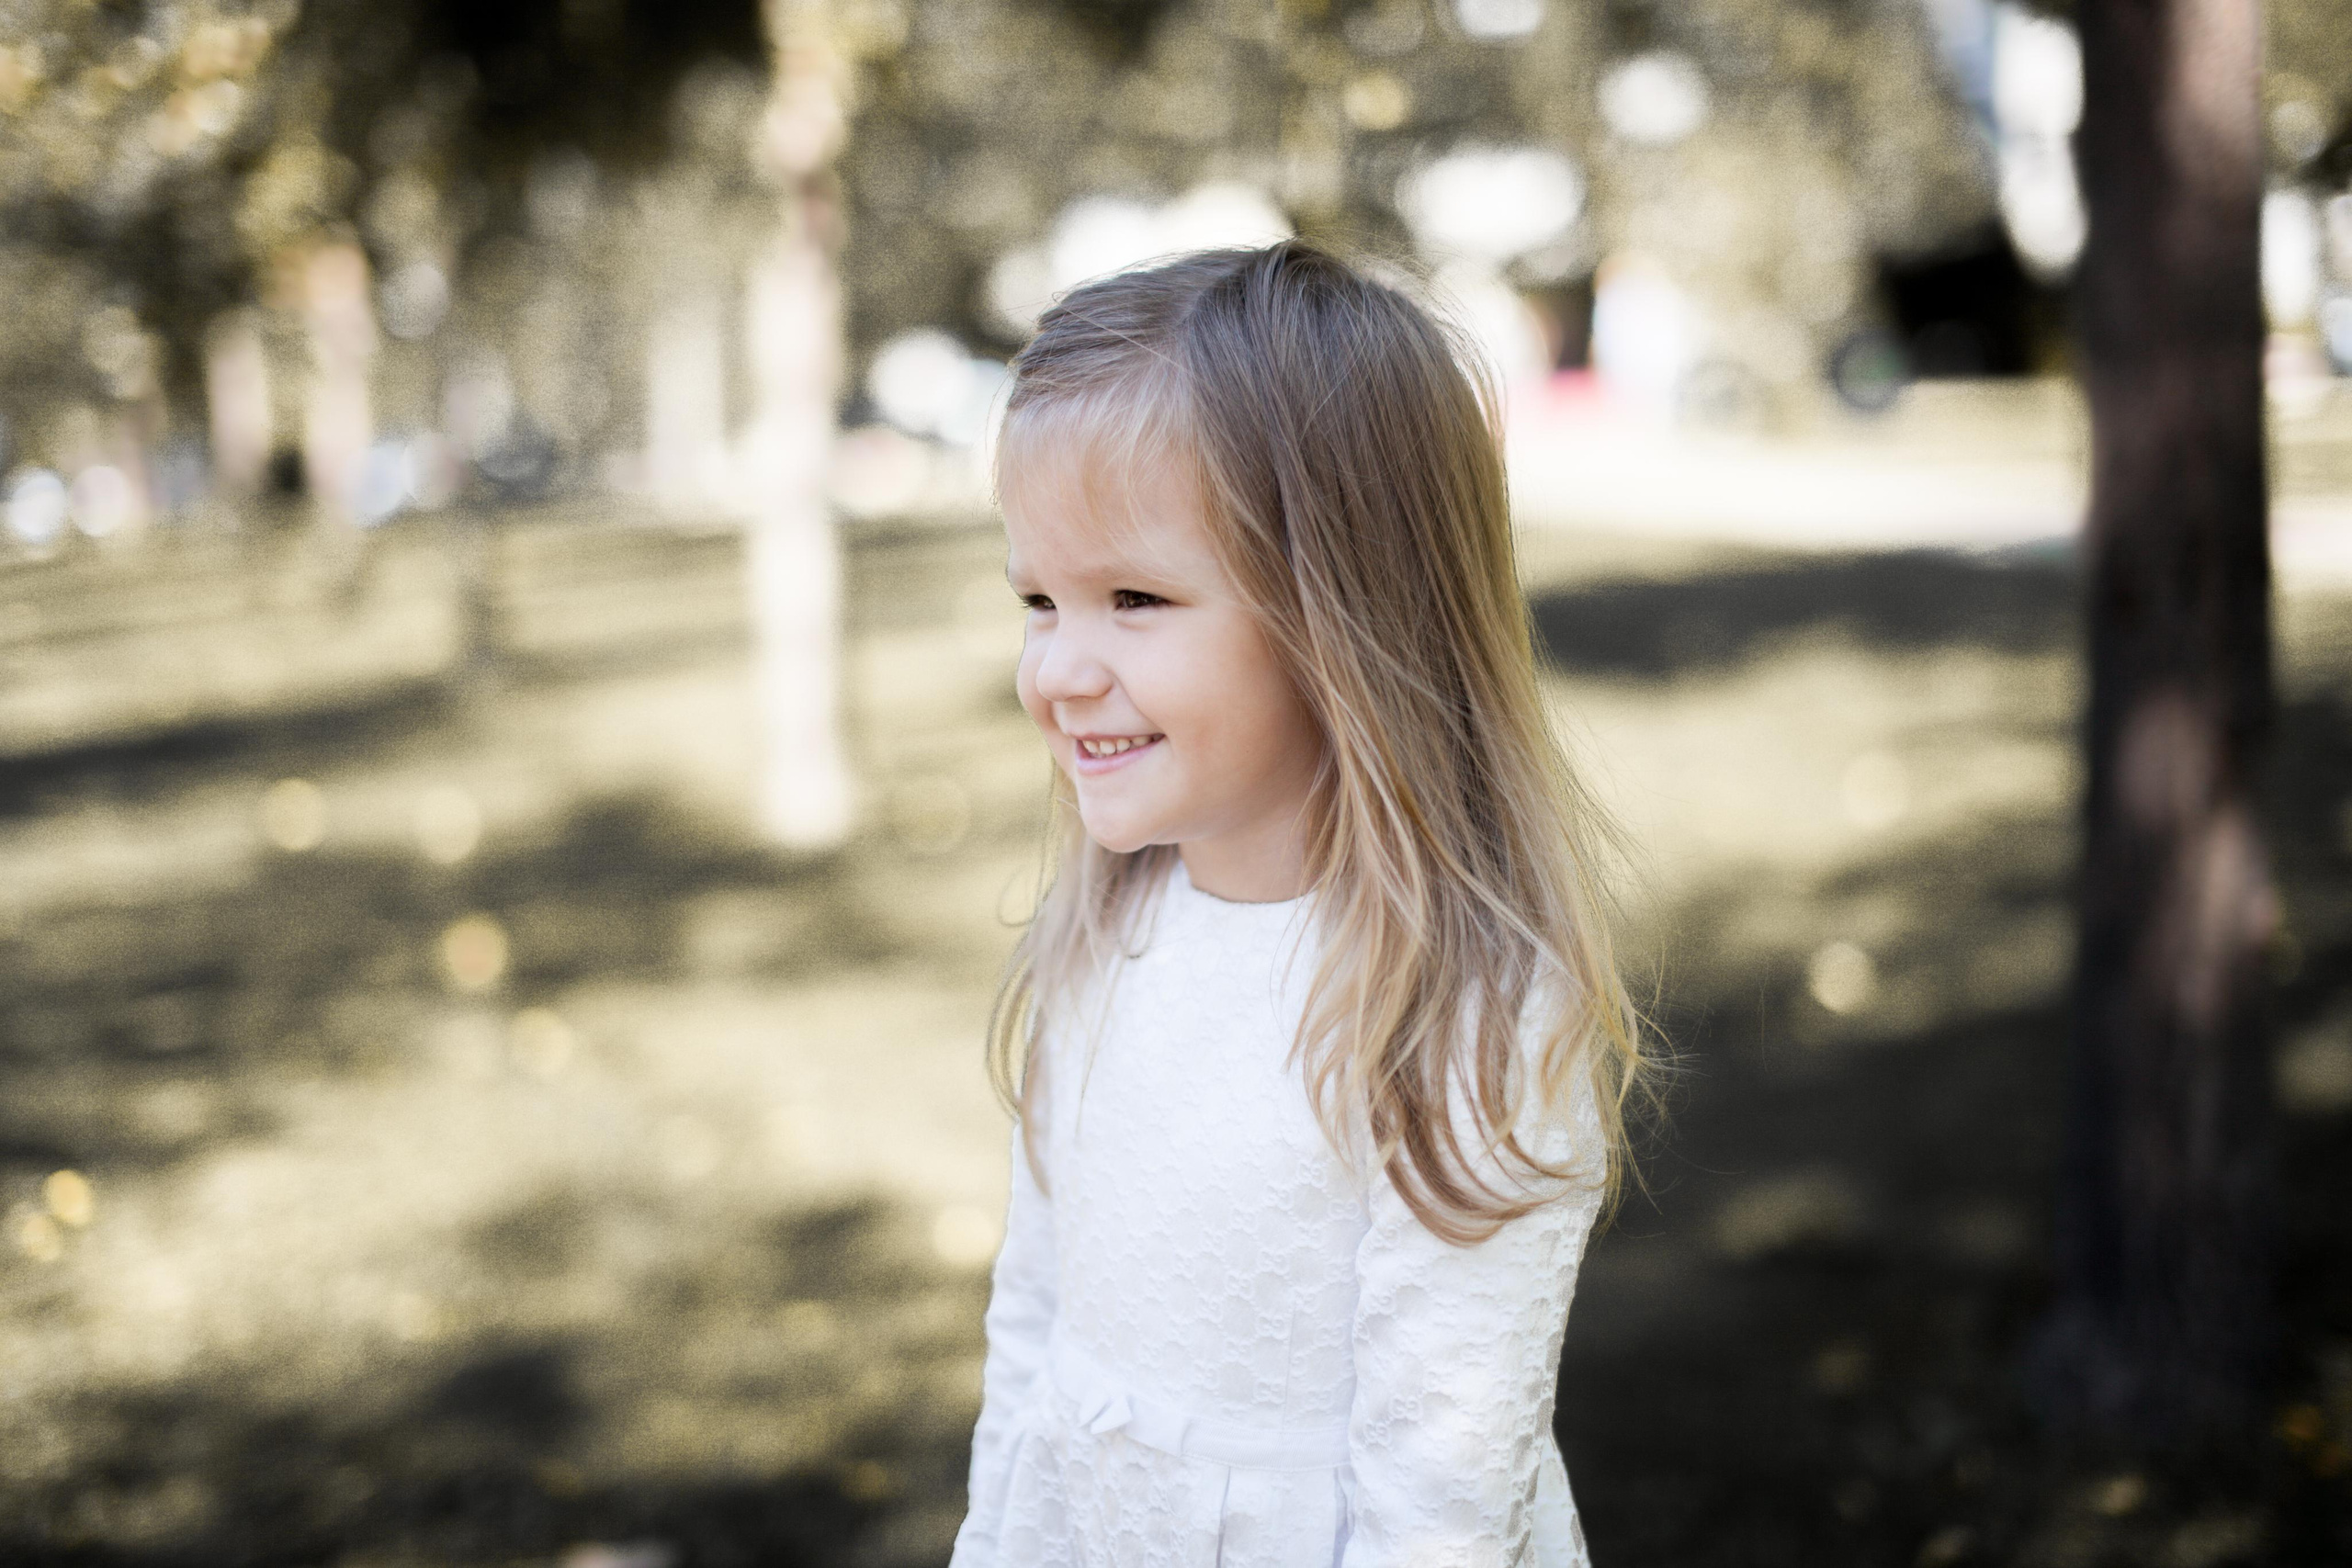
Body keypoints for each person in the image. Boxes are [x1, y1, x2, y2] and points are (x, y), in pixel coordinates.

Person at [951, 242, 1653, 1568]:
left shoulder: (1455, 1013)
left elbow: (1439, 1495)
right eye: (1038, 599)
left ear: (1345, 613)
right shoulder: (1105, 938)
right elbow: (1032, 1339)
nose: (1055, 668)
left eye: (1133, 599)